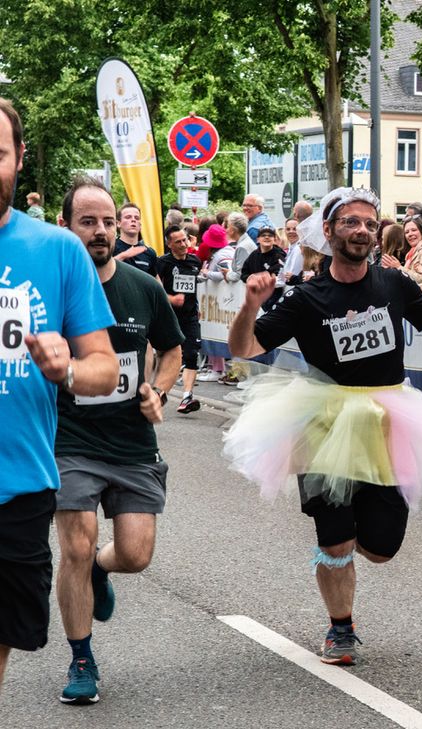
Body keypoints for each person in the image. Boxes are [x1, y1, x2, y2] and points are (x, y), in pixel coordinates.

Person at [225, 187, 422, 665]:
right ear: (331, 230)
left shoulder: (393, 284)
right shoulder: (307, 297)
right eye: (350, 222)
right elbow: (245, 348)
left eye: (368, 222)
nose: (361, 230)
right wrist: (251, 305)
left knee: (381, 547)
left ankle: (348, 544)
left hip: (388, 419)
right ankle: (341, 627)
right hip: (324, 420)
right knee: (334, 536)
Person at [0, 99, 119, 694]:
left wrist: (67, 368)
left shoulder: (57, 250)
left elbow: (103, 369)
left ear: (19, 159)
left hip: (17, 483)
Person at [54, 178, 184, 705]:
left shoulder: (143, 286)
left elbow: (173, 351)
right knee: (77, 544)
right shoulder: (51, 287)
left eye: (107, 221)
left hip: (132, 443)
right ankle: (81, 657)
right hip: (70, 439)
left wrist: (159, 391)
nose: (101, 231)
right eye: (88, 221)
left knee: (134, 554)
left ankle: (101, 573)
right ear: (66, 227)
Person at [156, 225, 204, 414]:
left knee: (192, 353)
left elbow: (193, 287)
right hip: (168, 317)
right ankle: (158, 393)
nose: (184, 244)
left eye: (185, 239)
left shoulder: (195, 262)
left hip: (190, 316)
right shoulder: (162, 263)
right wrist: (172, 299)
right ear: (170, 245)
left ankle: (187, 397)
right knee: (165, 356)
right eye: (178, 242)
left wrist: (195, 306)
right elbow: (156, 290)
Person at [241, 227, 287, 311]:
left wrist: (259, 277)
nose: (267, 237)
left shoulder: (279, 255)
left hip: (274, 301)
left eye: (270, 235)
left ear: (274, 239)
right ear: (258, 239)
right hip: (256, 299)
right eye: (263, 235)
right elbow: (244, 273)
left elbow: (277, 276)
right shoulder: (254, 255)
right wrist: (250, 278)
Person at [113, 203, 158, 277]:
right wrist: (123, 256)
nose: (133, 220)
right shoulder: (111, 248)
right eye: (128, 217)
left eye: (137, 218)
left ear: (140, 225)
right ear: (118, 223)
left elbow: (156, 281)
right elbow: (101, 271)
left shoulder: (149, 252)